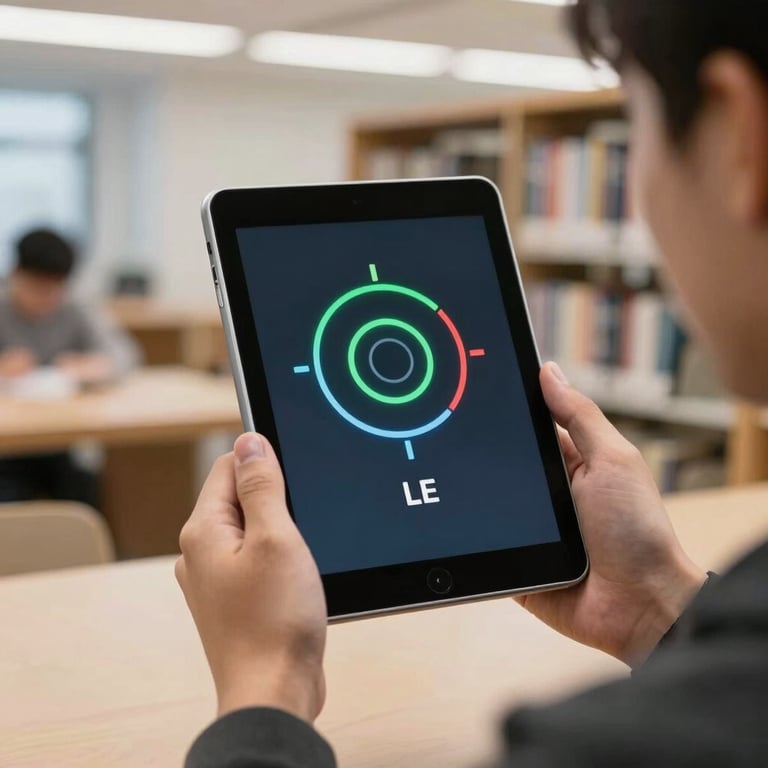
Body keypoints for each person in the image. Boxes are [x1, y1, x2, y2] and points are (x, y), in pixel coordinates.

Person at [177, 0, 768, 765]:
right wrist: (655, 602)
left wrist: (265, 682)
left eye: (635, 119)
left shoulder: (607, 747)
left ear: (737, 137)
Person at [0, 228, 139, 506]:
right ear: (16, 274)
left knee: (84, 490)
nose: (47, 298)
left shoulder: (75, 305)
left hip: (58, 439)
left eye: (55, 288)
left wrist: (95, 366)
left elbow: (125, 353)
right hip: (7, 446)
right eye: (38, 288)